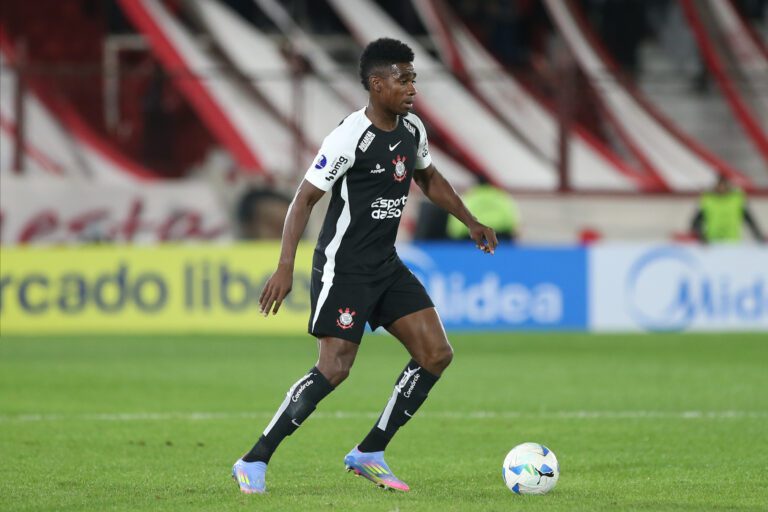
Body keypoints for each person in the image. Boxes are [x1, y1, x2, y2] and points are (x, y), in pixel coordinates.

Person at [232, 38, 498, 494]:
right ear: (377, 84)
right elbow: (303, 199)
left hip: (386, 265)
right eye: (403, 79)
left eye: (414, 78)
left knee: (436, 353)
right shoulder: (349, 136)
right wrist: (285, 266)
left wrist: (470, 220)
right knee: (334, 368)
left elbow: (428, 177)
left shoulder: (412, 128)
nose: (412, 88)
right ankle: (254, 458)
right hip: (344, 268)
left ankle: (370, 452)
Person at [690, 176, 765, 244]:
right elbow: (696, 222)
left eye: (724, 185)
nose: (722, 188)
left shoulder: (737, 199)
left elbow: (749, 219)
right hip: (712, 241)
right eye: (720, 185)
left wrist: (757, 234)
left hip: (732, 242)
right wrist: (702, 235)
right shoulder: (708, 200)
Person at [446, 175, 520, 241]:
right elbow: (512, 223)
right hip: (499, 238)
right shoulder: (501, 197)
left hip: (471, 240)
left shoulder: (468, 199)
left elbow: (455, 228)